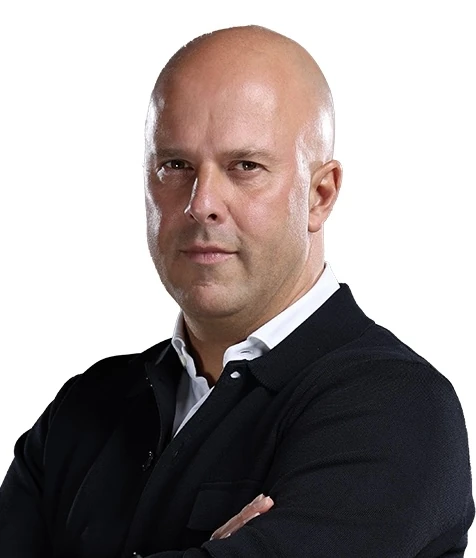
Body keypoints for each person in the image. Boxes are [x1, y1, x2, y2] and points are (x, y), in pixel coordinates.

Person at [0, 24, 473, 558]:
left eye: (245, 167)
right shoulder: (86, 406)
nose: (201, 203)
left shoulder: (396, 407)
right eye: (175, 166)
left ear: (320, 194)